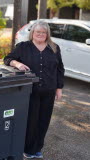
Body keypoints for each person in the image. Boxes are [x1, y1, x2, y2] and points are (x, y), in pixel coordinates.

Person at [4, 20, 64, 159]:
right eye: (38, 32)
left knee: (43, 121)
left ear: (47, 34)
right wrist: (17, 64)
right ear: (32, 33)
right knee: (31, 121)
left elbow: (60, 68)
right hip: (29, 91)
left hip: (48, 91)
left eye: (43, 32)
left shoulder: (54, 47)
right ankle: (28, 149)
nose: (40, 34)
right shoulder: (23, 47)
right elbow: (8, 59)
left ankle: (37, 148)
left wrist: (59, 88)